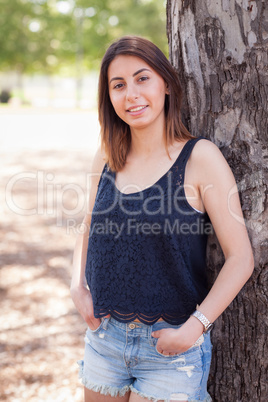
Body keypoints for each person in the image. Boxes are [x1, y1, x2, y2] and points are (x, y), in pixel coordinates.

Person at [71, 36, 254, 402]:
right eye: (118, 85)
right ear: (108, 97)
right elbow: (88, 226)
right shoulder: (107, 155)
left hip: (171, 348)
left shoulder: (200, 158)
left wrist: (195, 328)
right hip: (105, 340)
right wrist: (77, 285)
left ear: (166, 84)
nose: (131, 95)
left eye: (143, 79)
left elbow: (241, 258)